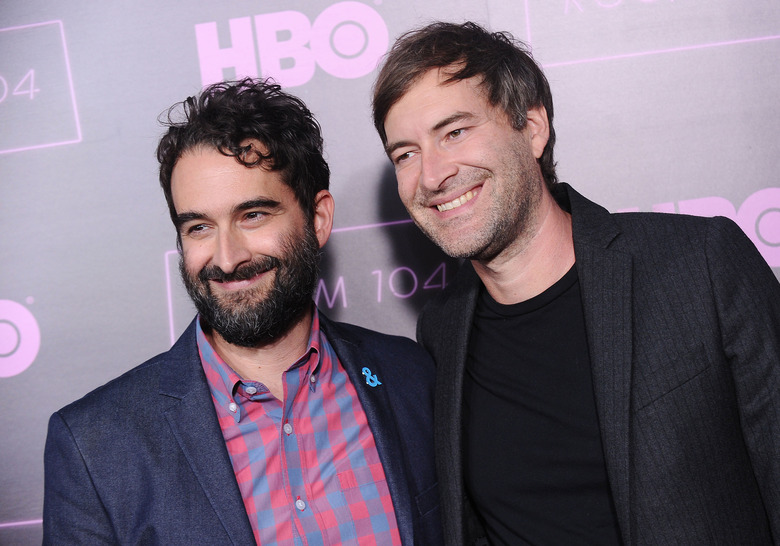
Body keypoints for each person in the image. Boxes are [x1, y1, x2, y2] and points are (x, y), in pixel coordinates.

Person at [372, 21, 780, 545]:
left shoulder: (699, 265)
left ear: (533, 128)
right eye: (404, 153)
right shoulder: (441, 333)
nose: (431, 175)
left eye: (455, 132)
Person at [43, 78, 442, 545]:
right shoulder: (96, 446)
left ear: (318, 220)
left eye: (253, 215)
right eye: (198, 227)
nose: (227, 257)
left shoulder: (412, 377)